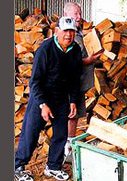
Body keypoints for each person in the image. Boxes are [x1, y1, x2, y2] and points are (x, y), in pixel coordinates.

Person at [14, 17, 82, 181]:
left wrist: (73, 100)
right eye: (65, 31)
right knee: (30, 133)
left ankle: (53, 166)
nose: (68, 35)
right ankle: (18, 166)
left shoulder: (75, 50)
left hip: (61, 98)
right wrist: (42, 105)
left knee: (60, 133)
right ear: (57, 31)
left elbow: (75, 79)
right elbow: (35, 82)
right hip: (41, 98)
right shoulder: (45, 49)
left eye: (71, 31)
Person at [63, 2, 103, 162]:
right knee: (68, 114)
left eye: (80, 13)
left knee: (74, 115)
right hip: (68, 84)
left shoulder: (79, 31)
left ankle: (68, 147)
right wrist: (90, 59)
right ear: (66, 15)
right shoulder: (65, 34)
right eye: (76, 14)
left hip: (78, 84)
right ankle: (64, 150)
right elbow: (69, 62)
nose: (79, 17)